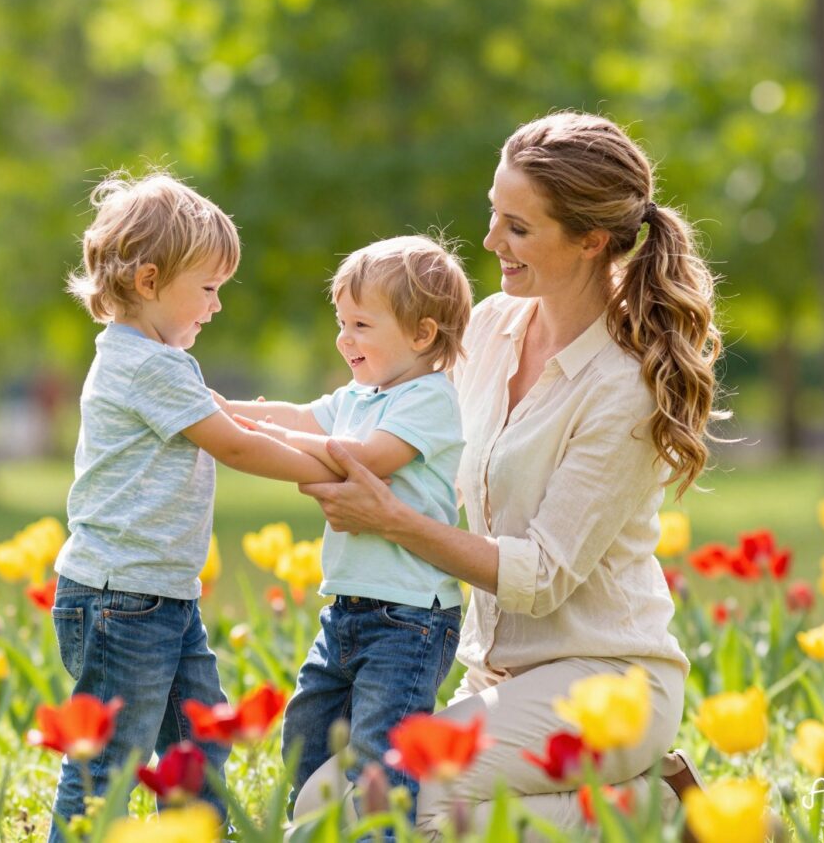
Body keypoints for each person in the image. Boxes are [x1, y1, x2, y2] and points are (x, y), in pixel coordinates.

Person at [294, 111, 722, 835]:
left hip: (604, 684)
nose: (491, 241)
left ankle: (650, 815)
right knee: (317, 804)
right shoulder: (489, 327)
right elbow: (371, 415)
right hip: (497, 677)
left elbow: (542, 574)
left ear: (591, 240)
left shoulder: (623, 385)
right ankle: (638, 806)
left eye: (518, 228)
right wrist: (220, 420)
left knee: (394, 813)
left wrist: (394, 521)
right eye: (495, 215)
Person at [50, 171, 340, 841]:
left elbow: (238, 426)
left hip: (157, 597)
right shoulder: (151, 366)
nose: (215, 307)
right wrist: (327, 471)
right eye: (207, 289)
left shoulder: (149, 358)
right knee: (109, 764)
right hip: (125, 599)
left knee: (200, 740)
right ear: (149, 281)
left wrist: (320, 446)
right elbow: (235, 447)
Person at [219, 235, 474, 821]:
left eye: (360, 324)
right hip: (349, 611)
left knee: (383, 755)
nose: (343, 338)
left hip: (409, 619)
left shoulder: (428, 400)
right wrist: (228, 412)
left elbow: (365, 459)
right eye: (341, 322)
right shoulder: (362, 395)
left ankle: (381, 834)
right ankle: (310, 826)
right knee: (307, 729)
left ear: (422, 334)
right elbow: (300, 414)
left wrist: (275, 442)